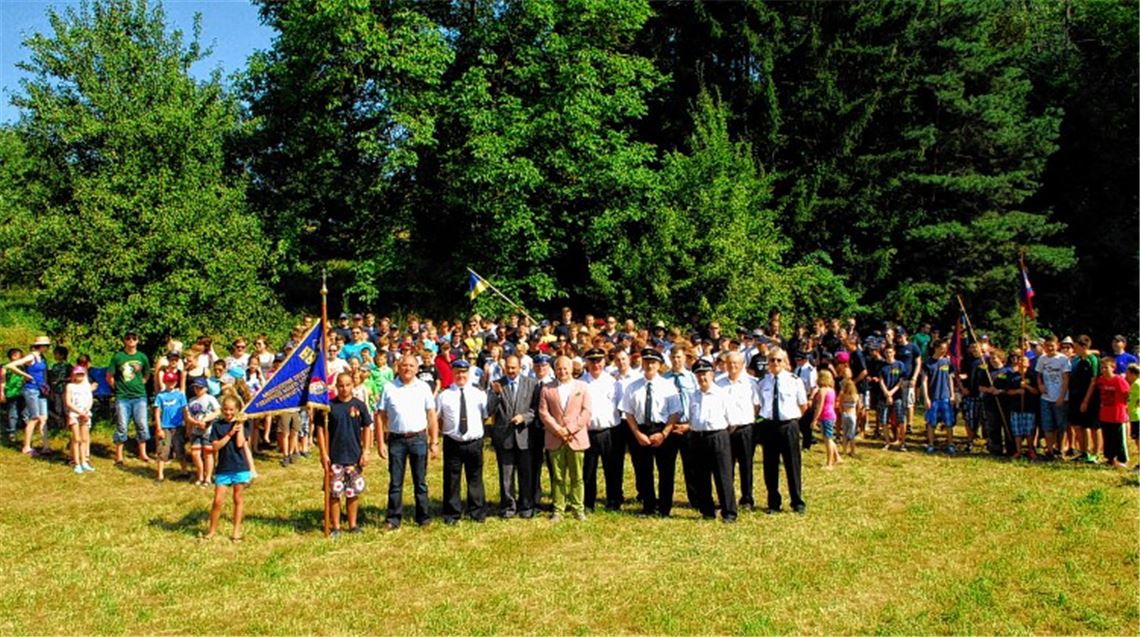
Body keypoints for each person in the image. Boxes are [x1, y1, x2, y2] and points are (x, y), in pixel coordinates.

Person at [377, 355, 440, 529]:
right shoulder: (389, 387)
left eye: (411, 366)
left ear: (417, 368)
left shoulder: (424, 388)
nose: (408, 369)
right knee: (395, 482)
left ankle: (423, 518)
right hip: (396, 440)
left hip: (419, 439)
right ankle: (393, 519)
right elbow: (380, 416)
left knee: (420, 481)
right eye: (404, 365)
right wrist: (380, 442)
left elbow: (431, 415)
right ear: (398, 367)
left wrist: (434, 441)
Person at [622, 348, 682, 517]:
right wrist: (637, 433)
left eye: (653, 362)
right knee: (643, 471)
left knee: (666, 472)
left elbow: (675, 413)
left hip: (662, 430)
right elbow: (628, 413)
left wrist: (664, 434)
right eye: (646, 361)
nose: (649, 365)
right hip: (640, 431)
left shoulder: (668, 386)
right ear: (642, 363)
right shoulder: (632, 387)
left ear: (659, 365)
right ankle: (648, 506)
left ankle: (664, 508)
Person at [538, 356, 592, 521]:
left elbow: (586, 411)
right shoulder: (547, 389)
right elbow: (543, 413)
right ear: (555, 370)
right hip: (555, 438)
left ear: (571, 369)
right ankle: (558, 509)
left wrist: (569, 430)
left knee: (577, 477)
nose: (562, 371)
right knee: (558, 477)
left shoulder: (582, 387)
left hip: (576, 438)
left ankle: (578, 509)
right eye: (559, 368)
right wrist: (557, 430)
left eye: (565, 368)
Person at [436, 360, 489, 524]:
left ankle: (477, 512)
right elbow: (438, 418)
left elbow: (485, 416)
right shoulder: (444, 395)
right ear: (452, 374)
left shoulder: (479, 394)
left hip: (474, 442)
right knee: (452, 479)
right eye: (457, 372)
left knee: (475, 478)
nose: (461, 376)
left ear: (469, 374)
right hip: (453, 442)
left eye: (464, 373)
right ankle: (452, 514)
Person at [319, 372, 373, 536]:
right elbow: (320, 430)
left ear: (353, 385)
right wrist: (323, 453)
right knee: (335, 493)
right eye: (341, 385)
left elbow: (367, 428)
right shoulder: (329, 407)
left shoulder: (359, 405)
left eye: (348, 384)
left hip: (354, 457)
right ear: (336, 386)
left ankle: (353, 525)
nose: (344, 388)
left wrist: (366, 451)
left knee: (352, 492)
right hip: (335, 457)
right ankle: (335, 526)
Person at [757, 348, 809, 514]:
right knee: (770, 466)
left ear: (786, 362)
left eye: (779, 360)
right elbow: (759, 405)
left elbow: (803, 405)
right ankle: (773, 502)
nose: (775, 363)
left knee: (792, 464)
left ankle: (797, 501)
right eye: (772, 360)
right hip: (769, 426)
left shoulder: (794, 381)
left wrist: (793, 420)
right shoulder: (763, 382)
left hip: (789, 426)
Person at [487, 354, 539, 518]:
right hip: (505, 437)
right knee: (506, 475)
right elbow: (489, 410)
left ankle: (526, 506)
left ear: (520, 367)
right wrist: (495, 395)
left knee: (526, 473)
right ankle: (508, 507)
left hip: (525, 436)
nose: (510, 370)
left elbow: (535, 409)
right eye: (508, 368)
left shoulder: (531, 384)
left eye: (513, 368)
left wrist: (524, 417)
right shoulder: (497, 385)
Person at [687, 358, 736, 521]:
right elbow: (691, 417)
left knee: (723, 475)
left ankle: (729, 512)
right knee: (701, 476)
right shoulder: (693, 395)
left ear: (712, 374)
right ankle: (707, 510)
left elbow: (732, 422)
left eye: (705, 374)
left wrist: (720, 435)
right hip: (697, 437)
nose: (702, 378)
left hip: (718, 436)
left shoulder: (722, 393)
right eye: (699, 374)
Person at [580, 348, 624, 512]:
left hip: (610, 431)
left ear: (604, 362)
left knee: (613, 468)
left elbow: (620, 408)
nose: (596, 364)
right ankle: (588, 502)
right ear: (587, 362)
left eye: (599, 360)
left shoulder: (614, 383)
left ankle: (614, 501)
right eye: (592, 361)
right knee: (588, 470)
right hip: (588, 431)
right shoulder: (580, 383)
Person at [716, 350, 760, 511]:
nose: (732, 366)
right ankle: (727, 499)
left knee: (746, 465)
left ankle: (747, 498)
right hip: (725, 430)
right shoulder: (718, 382)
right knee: (726, 466)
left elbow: (756, 405)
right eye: (729, 363)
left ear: (742, 365)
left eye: (736, 363)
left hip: (745, 429)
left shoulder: (751, 383)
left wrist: (746, 420)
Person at [205, 395, 249, 542]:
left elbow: (240, 444)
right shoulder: (217, 425)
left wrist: (240, 426)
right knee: (217, 501)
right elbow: (215, 446)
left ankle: (236, 532)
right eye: (225, 409)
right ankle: (212, 531)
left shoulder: (243, 424)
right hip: (223, 468)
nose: (228, 412)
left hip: (239, 466)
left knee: (238, 499)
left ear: (237, 410)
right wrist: (229, 433)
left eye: (231, 410)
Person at [107, 332, 152, 464]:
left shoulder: (142, 357)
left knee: (142, 424)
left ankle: (142, 453)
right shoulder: (118, 357)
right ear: (124, 341)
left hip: (140, 396)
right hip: (122, 397)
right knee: (122, 426)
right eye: (128, 338)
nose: (131, 340)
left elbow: (147, 374)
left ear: (138, 340)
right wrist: (117, 388)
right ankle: (119, 455)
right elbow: (109, 376)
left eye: (134, 338)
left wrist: (140, 383)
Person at [664, 345, 699, 508]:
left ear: (685, 358)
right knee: (666, 467)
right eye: (673, 357)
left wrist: (690, 425)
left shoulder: (693, 378)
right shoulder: (664, 379)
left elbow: (698, 403)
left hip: (687, 427)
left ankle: (695, 500)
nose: (676, 360)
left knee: (692, 466)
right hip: (669, 427)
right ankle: (665, 501)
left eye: (679, 357)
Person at [5, 336, 52, 457]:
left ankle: (46, 446)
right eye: (45, 345)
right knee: (34, 417)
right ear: (39, 346)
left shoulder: (42, 358)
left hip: (41, 389)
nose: (47, 347)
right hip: (31, 390)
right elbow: (11, 365)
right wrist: (25, 375)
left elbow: (44, 372)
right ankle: (26, 447)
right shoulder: (31, 356)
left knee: (43, 417)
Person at [1088, 354, 1129, 469]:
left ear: (1113, 368)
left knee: (1119, 439)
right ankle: (1110, 458)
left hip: (1117, 414)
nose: (1104, 370)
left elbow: (1127, 393)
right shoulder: (1101, 380)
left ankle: (1122, 459)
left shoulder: (1118, 380)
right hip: (1105, 414)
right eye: (1102, 367)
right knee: (1108, 437)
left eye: (1106, 367)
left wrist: (1125, 407)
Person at [1035, 335, 1069, 460]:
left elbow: (1066, 379)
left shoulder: (1063, 359)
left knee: (1061, 425)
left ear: (1057, 345)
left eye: (1052, 346)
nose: (1049, 348)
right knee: (1047, 425)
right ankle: (1050, 450)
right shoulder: (1042, 359)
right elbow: (1038, 374)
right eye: (1047, 346)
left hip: (1060, 398)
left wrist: (1061, 396)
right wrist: (1040, 385)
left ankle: (1060, 450)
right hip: (1046, 397)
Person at [152, 373, 188, 482]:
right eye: (168, 381)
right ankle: (160, 475)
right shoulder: (160, 396)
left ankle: (184, 471)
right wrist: (159, 428)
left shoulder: (180, 395)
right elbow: (157, 413)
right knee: (163, 450)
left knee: (179, 449)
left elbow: (184, 411)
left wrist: (187, 426)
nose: (170, 383)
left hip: (178, 427)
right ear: (164, 381)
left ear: (176, 382)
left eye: (172, 381)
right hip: (165, 427)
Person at [923, 339, 957, 454]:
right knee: (931, 422)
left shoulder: (947, 362)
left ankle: (950, 444)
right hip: (933, 398)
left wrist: (952, 395)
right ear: (936, 348)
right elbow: (924, 381)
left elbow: (950, 379)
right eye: (942, 348)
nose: (944, 350)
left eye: (945, 348)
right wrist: (926, 398)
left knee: (948, 422)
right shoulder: (928, 363)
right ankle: (931, 444)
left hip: (946, 397)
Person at [1070, 335, 1100, 463]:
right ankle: (1082, 451)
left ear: (1083, 346)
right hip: (1076, 396)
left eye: (1075, 346)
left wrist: (1086, 400)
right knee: (1078, 426)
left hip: (1090, 397)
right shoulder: (1076, 360)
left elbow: (1093, 381)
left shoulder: (1092, 360)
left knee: (1090, 426)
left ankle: (1095, 453)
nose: (1073, 349)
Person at [185, 377, 220, 487]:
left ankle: (208, 477)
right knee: (195, 453)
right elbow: (188, 416)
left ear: (205, 388)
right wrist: (192, 425)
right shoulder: (191, 400)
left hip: (208, 430)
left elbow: (217, 411)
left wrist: (205, 420)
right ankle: (200, 475)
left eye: (200, 387)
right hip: (196, 430)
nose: (197, 389)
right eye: (195, 387)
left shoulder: (210, 398)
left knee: (208, 454)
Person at [1007, 350, 1039, 459]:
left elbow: (1037, 391)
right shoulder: (1013, 376)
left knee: (1029, 430)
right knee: (1017, 430)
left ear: (1028, 363)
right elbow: (1008, 391)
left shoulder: (1033, 375)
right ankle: (1018, 450)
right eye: (1020, 360)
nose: (1022, 362)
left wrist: (1026, 387)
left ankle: (1030, 449)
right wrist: (1017, 391)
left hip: (1029, 407)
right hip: (1015, 407)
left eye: (1024, 360)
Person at [64, 365, 95, 473]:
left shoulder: (87, 386)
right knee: (76, 439)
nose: (80, 377)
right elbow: (68, 402)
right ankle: (76, 462)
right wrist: (79, 412)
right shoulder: (70, 386)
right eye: (78, 374)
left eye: (82, 375)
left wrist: (86, 411)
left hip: (85, 414)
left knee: (84, 439)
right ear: (74, 375)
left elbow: (90, 400)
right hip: (74, 414)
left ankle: (84, 461)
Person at [877, 345, 906, 450]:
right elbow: (881, 381)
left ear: (894, 352)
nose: (888, 354)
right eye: (886, 352)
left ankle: (902, 442)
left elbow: (901, 381)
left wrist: (891, 393)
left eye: (890, 352)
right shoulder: (881, 366)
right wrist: (887, 394)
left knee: (901, 419)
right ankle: (887, 442)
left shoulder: (900, 365)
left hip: (897, 396)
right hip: (883, 396)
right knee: (884, 420)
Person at [813, 370, 840, 466]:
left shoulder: (822, 390)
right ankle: (837, 457)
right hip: (831, 415)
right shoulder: (832, 390)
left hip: (826, 416)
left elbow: (819, 406)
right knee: (829, 438)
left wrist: (815, 419)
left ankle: (829, 463)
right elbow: (832, 405)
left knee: (827, 439)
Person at [3, 347, 25, 443]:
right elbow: (2, 381)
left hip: (23, 391)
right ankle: (12, 432)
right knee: (13, 413)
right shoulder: (5, 367)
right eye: (16, 355)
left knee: (25, 412)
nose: (19, 357)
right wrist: (2, 392)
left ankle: (25, 430)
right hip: (11, 392)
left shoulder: (23, 366)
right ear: (11, 356)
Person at [837, 378, 860, 457]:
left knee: (844, 434)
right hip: (852, 415)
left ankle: (844, 450)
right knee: (852, 435)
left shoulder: (843, 395)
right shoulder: (856, 396)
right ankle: (852, 451)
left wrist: (842, 412)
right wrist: (856, 414)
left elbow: (840, 405)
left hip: (845, 414)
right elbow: (859, 406)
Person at [1126, 364, 1140, 472]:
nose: (1126, 375)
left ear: (1132, 373)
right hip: (1134, 416)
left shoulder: (1137, 384)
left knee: (1139, 441)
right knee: (1136, 441)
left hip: (1137, 416)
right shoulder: (1134, 384)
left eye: (1128, 373)